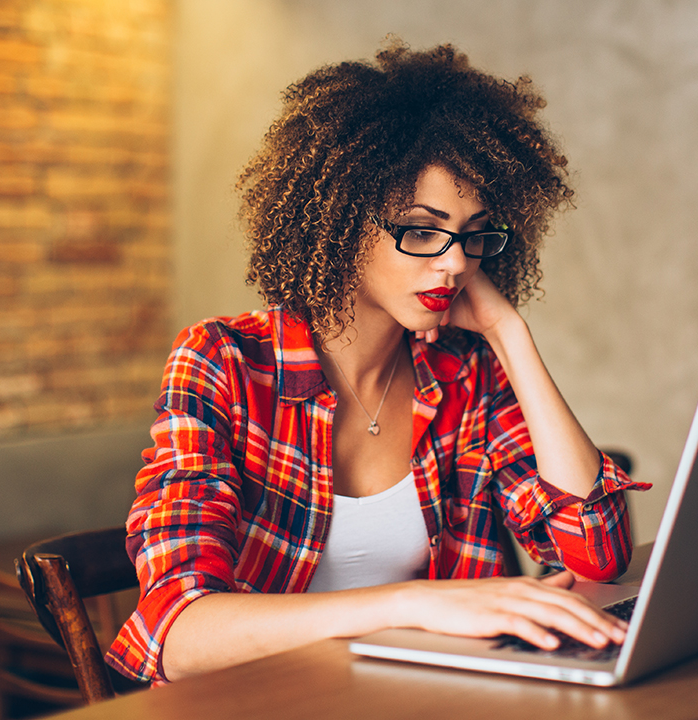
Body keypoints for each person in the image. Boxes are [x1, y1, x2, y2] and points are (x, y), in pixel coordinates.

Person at [107, 41, 650, 685]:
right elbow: (177, 632)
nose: (455, 263)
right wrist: (414, 603)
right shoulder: (222, 361)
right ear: (339, 222)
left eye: (473, 234)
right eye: (422, 230)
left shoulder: (464, 371)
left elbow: (596, 557)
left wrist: (510, 334)